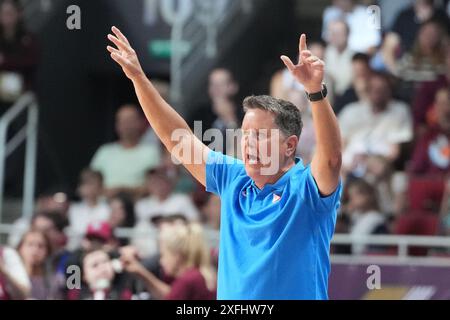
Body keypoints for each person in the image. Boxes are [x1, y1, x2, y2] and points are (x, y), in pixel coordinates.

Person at [107, 28, 342, 299]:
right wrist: (138, 78)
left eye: (260, 136)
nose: (249, 143)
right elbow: (178, 141)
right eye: (246, 135)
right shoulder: (235, 178)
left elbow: (332, 158)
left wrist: (315, 92)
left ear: (289, 145)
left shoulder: (306, 188)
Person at [338, 72, 413, 177]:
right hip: (350, 162)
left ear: (389, 90)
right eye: (373, 88)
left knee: (378, 167)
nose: (377, 92)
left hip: (380, 162)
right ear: (368, 90)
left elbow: (395, 152)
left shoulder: (399, 111)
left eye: (382, 89)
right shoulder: (351, 111)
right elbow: (340, 144)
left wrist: (367, 161)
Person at [121, 223, 216, 300]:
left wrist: (140, 271)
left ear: (177, 256)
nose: (161, 262)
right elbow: (170, 293)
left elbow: (170, 296)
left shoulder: (189, 279)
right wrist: (140, 271)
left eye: (164, 256)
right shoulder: (196, 275)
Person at [90, 104, 161, 199]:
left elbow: (156, 184)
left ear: (141, 122)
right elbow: (90, 181)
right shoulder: (105, 151)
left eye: (130, 120)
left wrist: (123, 191)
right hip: (106, 207)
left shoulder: (151, 152)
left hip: (140, 206)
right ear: (117, 125)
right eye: (122, 121)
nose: (127, 125)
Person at [67, 169, 110, 250]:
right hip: (76, 249)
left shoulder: (108, 209)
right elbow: (78, 230)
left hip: (100, 249)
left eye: (92, 183)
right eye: (85, 183)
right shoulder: (73, 209)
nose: (89, 188)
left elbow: (103, 233)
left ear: (100, 186)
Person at [17, 229, 61, 299]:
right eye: (30, 244)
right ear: (20, 248)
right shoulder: (11, 277)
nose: (35, 250)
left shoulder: (54, 282)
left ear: (47, 251)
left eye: (40, 246)